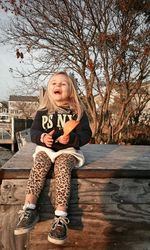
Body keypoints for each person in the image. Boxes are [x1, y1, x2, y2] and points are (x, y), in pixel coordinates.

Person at [14, 71, 92, 245]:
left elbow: (87, 135)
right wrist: (42, 138)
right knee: (39, 165)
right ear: (49, 90)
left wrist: (71, 139)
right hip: (46, 149)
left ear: (71, 90)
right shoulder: (43, 111)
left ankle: (60, 217)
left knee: (63, 168)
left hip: (68, 150)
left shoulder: (77, 112)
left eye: (63, 84)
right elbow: (34, 132)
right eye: (54, 83)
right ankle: (29, 209)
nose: (57, 86)